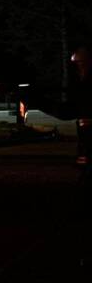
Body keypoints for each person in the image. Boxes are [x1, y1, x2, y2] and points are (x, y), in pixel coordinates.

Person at [25, 46, 92, 183]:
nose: (79, 71)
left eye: (80, 65)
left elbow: (67, 111)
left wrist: (34, 100)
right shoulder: (85, 88)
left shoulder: (87, 89)